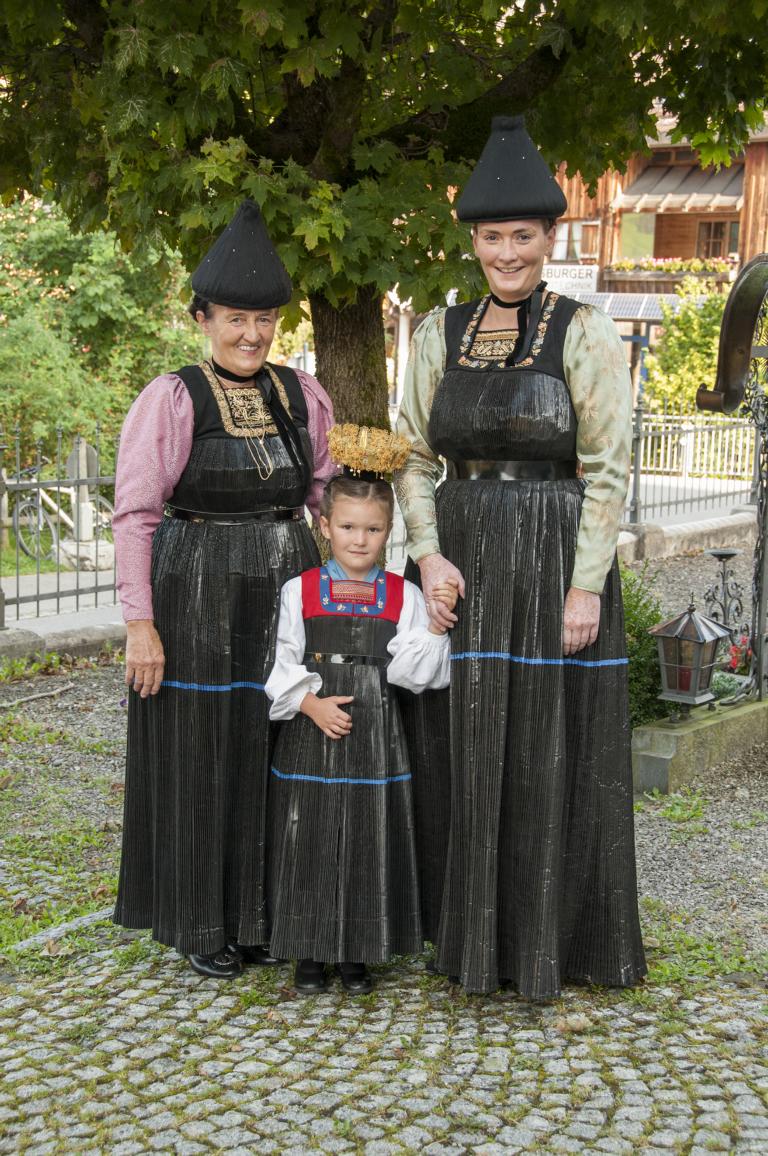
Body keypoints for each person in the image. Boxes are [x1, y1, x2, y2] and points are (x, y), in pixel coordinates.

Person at [394, 116, 647, 1000]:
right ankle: (468, 937)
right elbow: (412, 456)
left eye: (523, 236)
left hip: (551, 558)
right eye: (493, 237)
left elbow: (608, 468)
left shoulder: (585, 329)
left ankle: (552, 940)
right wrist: (427, 557)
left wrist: (586, 587)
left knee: (547, 744)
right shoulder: (436, 332)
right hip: (462, 562)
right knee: (462, 740)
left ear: (548, 238)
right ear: (474, 242)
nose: (507, 253)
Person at [112, 199, 336, 979]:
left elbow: (328, 496)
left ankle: (262, 916)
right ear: (204, 319)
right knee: (201, 751)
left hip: (285, 585)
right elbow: (136, 515)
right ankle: (201, 920)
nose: (251, 334)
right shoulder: (172, 398)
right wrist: (140, 624)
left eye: (264, 319)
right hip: (196, 591)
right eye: (236, 318)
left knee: (274, 743)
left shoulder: (302, 395)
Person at [264, 430, 456, 995]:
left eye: (372, 529)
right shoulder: (299, 590)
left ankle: (357, 954)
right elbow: (279, 661)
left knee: (368, 835)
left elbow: (415, 673)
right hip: (313, 734)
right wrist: (309, 703)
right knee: (309, 835)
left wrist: (435, 630)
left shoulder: (404, 595)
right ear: (325, 526)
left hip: (377, 735)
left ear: (389, 530)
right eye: (348, 527)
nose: (359, 539)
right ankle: (308, 951)